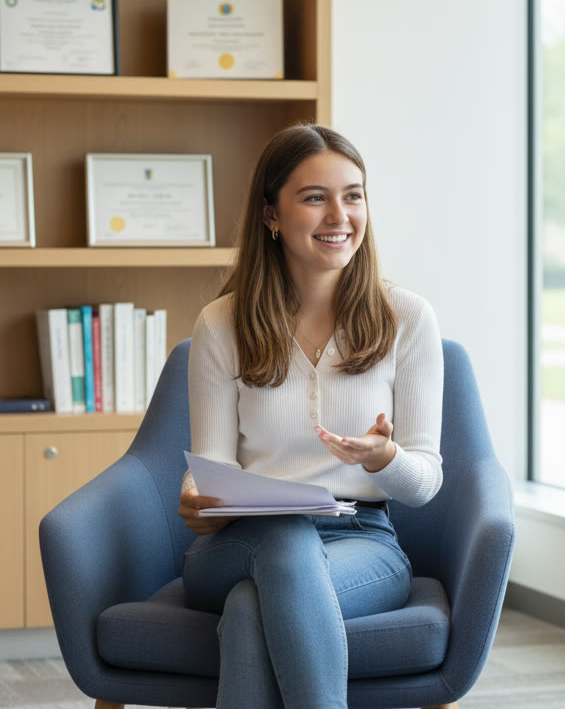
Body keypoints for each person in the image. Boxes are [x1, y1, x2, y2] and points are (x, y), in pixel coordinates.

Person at [178, 124, 443, 709]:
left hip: (364, 540)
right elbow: (212, 463)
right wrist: (200, 498)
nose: (340, 215)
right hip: (237, 545)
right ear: (271, 213)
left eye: (353, 195)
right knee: (285, 537)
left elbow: (425, 482)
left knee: (251, 610)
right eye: (315, 197)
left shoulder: (409, 318)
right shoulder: (222, 325)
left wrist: (387, 458)